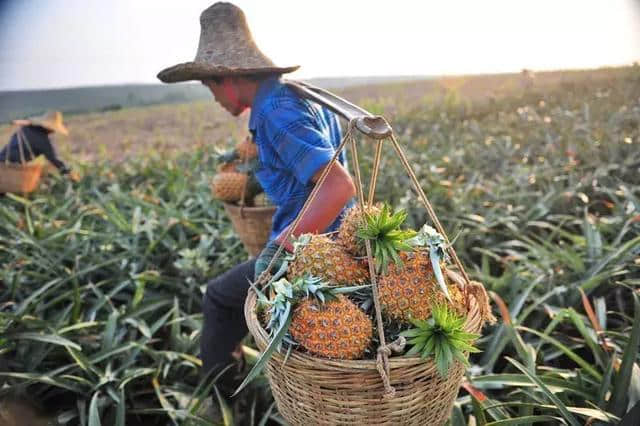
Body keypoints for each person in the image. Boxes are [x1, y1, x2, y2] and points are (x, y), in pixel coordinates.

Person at [157, 1, 356, 412]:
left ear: (227, 78)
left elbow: (338, 186)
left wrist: (283, 243)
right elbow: (304, 168)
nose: (212, 97)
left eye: (210, 86)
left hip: (316, 249)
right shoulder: (287, 98)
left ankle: (222, 403)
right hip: (337, 236)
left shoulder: (276, 113)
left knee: (218, 297)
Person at [0, 110, 77, 180]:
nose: (53, 131)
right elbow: (54, 160)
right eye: (53, 129)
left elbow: (28, 123)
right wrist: (69, 173)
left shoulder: (26, 128)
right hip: (11, 168)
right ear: (48, 128)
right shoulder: (42, 141)